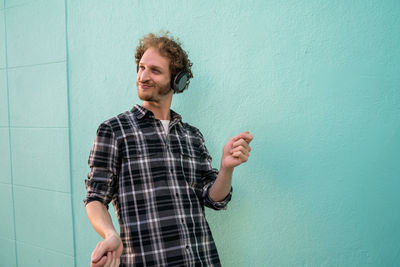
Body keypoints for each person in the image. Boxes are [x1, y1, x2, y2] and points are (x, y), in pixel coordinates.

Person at [84, 32, 253, 267]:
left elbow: (214, 198)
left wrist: (226, 168)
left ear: (177, 80)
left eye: (154, 70)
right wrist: (110, 234)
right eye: (141, 67)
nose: (143, 76)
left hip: (201, 260)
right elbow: (95, 197)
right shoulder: (114, 130)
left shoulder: (192, 136)